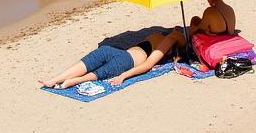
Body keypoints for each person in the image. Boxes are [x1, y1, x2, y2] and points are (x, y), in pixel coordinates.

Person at [40, 29, 185, 89]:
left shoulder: (164, 37)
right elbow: (148, 64)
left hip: (118, 53)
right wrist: (123, 75)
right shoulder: (169, 38)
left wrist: (123, 76)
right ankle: (70, 80)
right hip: (125, 59)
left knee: (88, 64)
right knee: (96, 71)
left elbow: (148, 65)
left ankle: (55, 80)